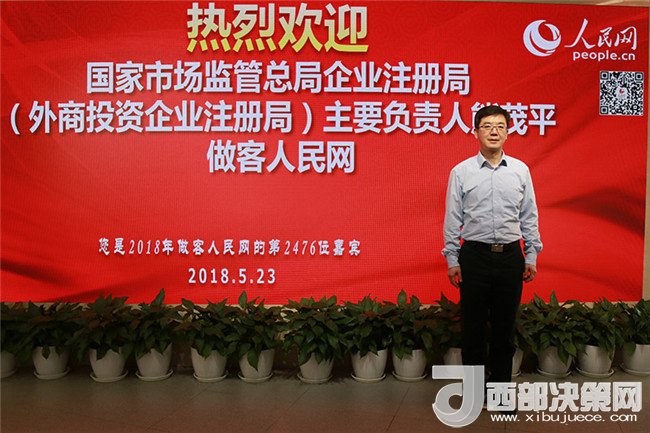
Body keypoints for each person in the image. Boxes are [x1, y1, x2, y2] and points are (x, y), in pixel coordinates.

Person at [441, 104, 542, 386]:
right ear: (475, 132)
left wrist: (531, 255)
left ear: (508, 133)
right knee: (472, 330)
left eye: (500, 126)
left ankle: (501, 394)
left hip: (510, 257)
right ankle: (474, 394)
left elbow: (529, 215)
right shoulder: (461, 172)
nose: (494, 131)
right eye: (487, 126)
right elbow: (453, 218)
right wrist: (452, 259)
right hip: (474, 257)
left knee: (504, 331)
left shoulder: (520, 171)